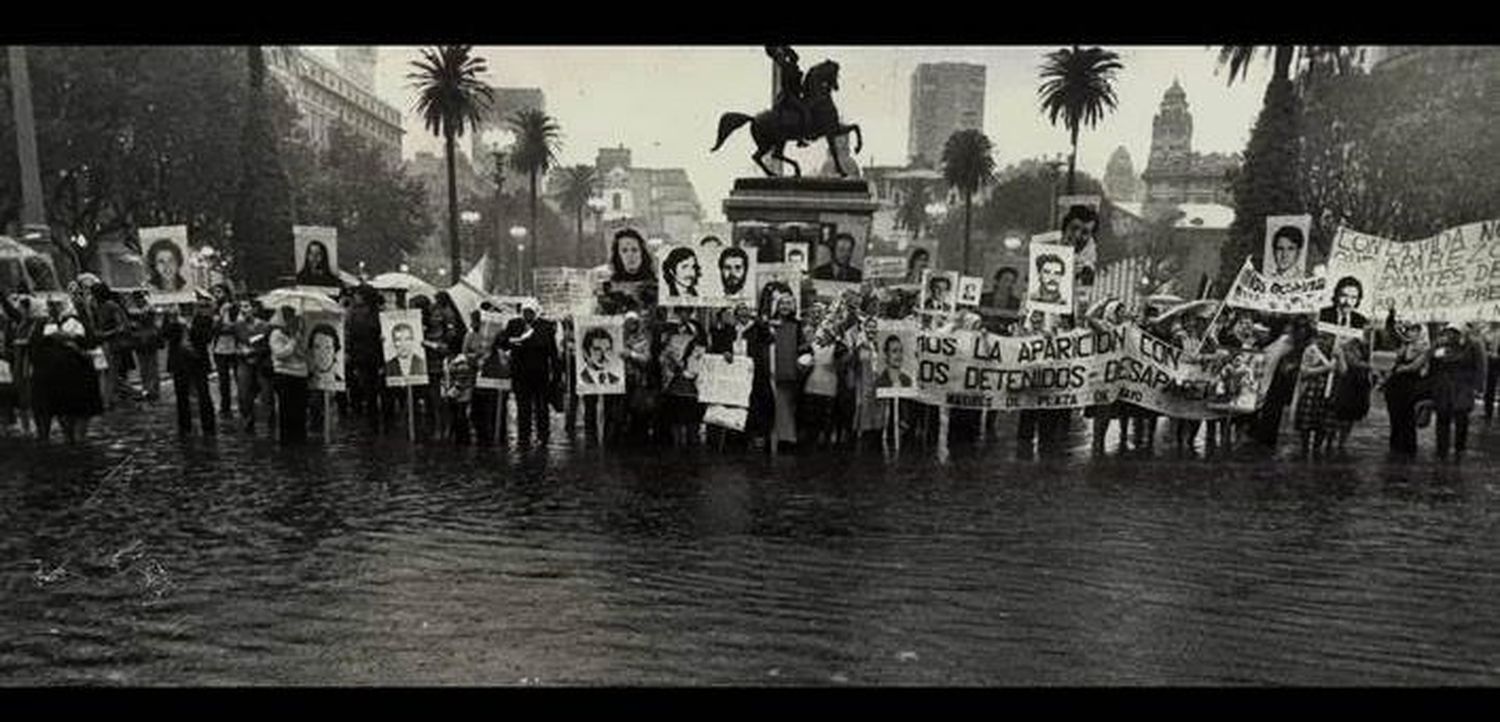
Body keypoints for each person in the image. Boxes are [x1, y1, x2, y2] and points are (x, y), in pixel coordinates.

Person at [30, 299, 104, 442]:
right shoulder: (47, 325)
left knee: (68, 416)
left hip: (66, 378)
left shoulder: (46, 325)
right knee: (70, 418)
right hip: (66, 379)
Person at [501, 300, 558, 445]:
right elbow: (503, 342)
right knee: (523, 406)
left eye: (530, 312)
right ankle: (523, 435)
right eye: (525, 312)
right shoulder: (514, 324)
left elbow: (552, 350)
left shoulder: (545, 326)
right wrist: (515, 341)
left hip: (540, 373)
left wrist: (556, 372)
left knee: (541, 406)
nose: (527, 315)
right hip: (520, 372)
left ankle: (543, 435)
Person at [1428, 322, 1484, 460]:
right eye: (1449, 332)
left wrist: (1478, 387)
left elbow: (1481, 366)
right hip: (1443, 386)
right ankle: (1441, 449)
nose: (1451, 335)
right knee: (1442, 417)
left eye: (1454, 332)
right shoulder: (1441, 344)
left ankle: (1460, 448)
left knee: (1461, 418)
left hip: (1463, 387)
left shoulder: (1473, 344)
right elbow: (1432, 364)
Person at [164, 301, 216, 436]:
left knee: (203, 394)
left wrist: (189, 326)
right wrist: (174, 322)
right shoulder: (171, 317)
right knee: (181, 396)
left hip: (197, 361)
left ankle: (208, 427)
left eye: (189, 306)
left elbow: (206, 338)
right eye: (182, 306)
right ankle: (184, 427)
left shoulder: (203, 319)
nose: (185, 308)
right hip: (179, 362)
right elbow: (165, 335)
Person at [1382, 311, 1429, 456]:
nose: (1410, 333)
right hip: (1395, 386)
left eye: (1414, 330)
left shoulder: (1425, 348)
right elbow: (1392, 333)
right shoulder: (1404, 345)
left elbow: (1415, 366)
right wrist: (1391, 316)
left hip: (1410, 387)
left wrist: (1402, 368)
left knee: (1407, 418)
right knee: (1394, 416)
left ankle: (1408, 448)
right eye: (1409, 330)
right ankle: (1395, 446)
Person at [269, 306, 309, 444]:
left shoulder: (298, 334)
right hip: (284, 374)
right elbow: (281, 354)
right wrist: (292, 341)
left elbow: (304, 354)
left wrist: (298, 338)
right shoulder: (276, 334)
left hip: (301, 375)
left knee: (300, 410)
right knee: (286, 410)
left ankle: (300, 438)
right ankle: (286, 440)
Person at [1326, 337, 1372, 453]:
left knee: (1349, 418)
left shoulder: (1363, 357)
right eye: (1352, 349)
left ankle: (1341, 443)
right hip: (1344, 390)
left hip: (1356, 392)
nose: (1354, 352)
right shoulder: (1342, 355)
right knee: (1338, 418)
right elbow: (1344, 370)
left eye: (1356, 350)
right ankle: (1331, 443)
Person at [1292, 332, 1335, 455]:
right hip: (1310, 389)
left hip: (1328, 391)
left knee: (1323, 425)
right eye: (1321, 337)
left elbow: (1343, 372)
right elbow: (1304, 371)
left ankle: (1317, 449)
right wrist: (1325, 368)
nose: (1324, 341)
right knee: (1306, 423)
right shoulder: (1311, 350)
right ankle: (1304, 448)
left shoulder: (1335, 353)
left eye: (1327, 338)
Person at [766, 45, 812, 145]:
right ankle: (800, 138)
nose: (796, 58)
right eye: (794, 57)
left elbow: (797, 84)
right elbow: (788, 84)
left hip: (793, 94)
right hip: (789, 95)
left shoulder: (792, 67)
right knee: (804, 111)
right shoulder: (786, 66)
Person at [211, 289, 241, 417]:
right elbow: (214, 328)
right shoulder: (216, 308)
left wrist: (228, 327)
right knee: (223, 380)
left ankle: (243, 404)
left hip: (235, 348)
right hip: (220, 349)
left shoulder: (235, 308)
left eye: (219, 292)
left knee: (239, 377)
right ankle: (225, 407)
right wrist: (222, 313)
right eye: (216, 293)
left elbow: (238, 326)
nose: (217, 295)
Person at [442, 349, 476, 445]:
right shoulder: (447, 360)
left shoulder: (462, 361)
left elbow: (463, 379)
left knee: (461, 416)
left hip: (461, 393)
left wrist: (452, 392)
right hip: (451, 391)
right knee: (455, 416)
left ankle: (463, 439)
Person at [308, 322, 343, 390]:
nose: (323, 354)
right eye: (317, 347)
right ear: (311, 351)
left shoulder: (341, 383)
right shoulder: (305, 381)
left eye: (328, 348)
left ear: (335, 352)